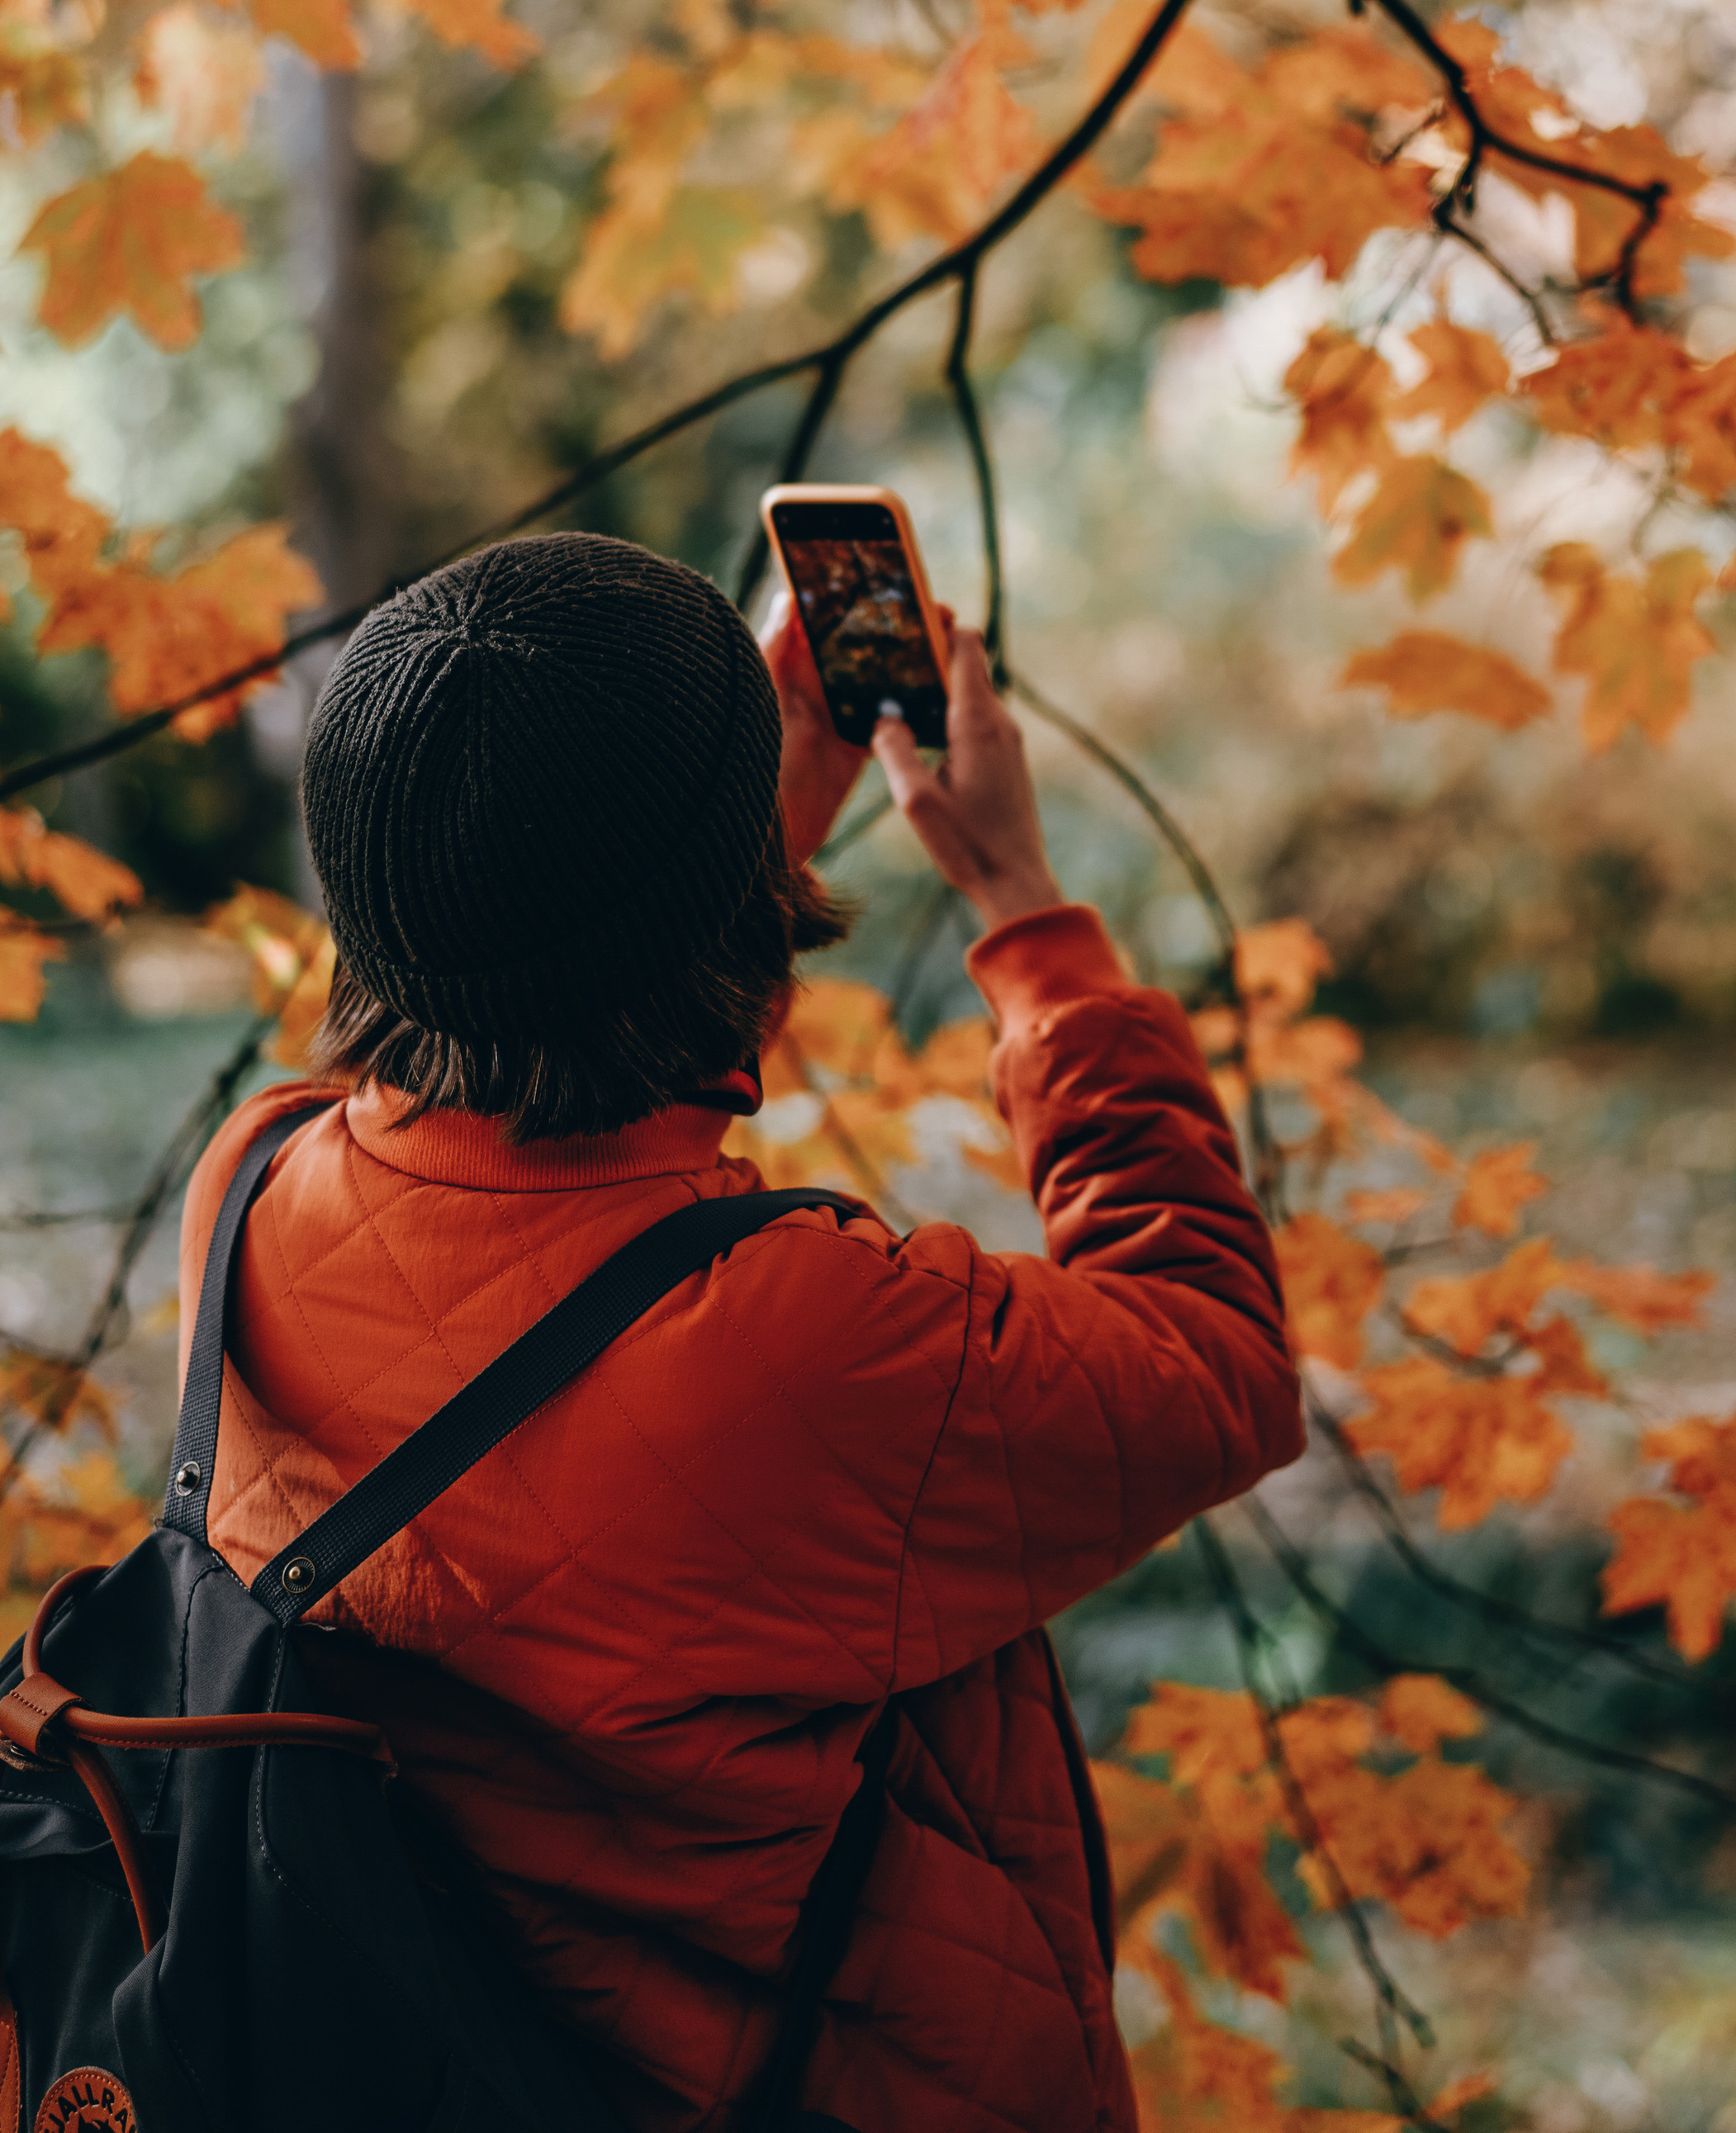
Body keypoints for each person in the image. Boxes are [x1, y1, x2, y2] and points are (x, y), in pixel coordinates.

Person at [175, 533, 1303, 2133]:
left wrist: (725, 838)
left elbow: (520, 1023)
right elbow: (1215, 1360)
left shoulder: (250, 1196)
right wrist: (1025, 913)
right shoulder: (797, 1348)